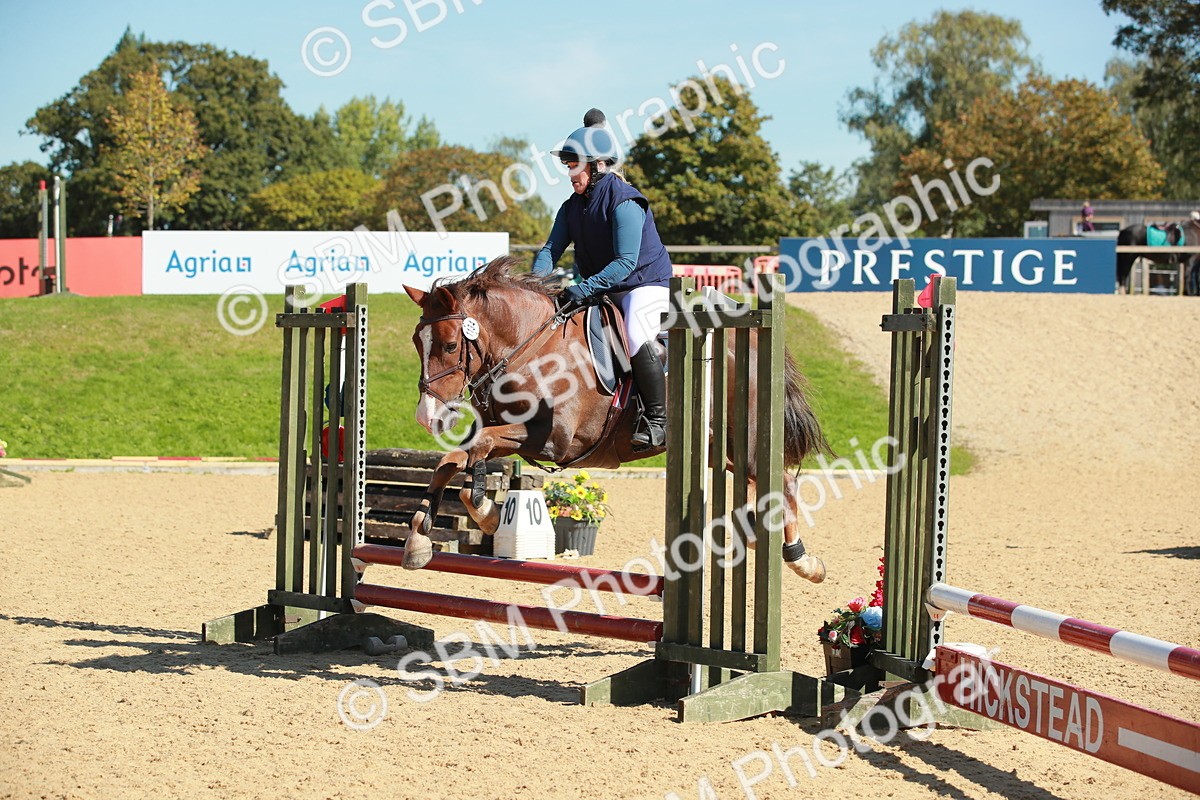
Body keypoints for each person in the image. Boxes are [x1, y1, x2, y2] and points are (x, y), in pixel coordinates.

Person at [532, 109, 673, 451]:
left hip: (644, 285)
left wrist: (582, 288)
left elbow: (625, 262)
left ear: (596, 165)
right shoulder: (571, 207)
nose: (569, 174)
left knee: (636, 333)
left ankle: (657, 421)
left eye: (574, 166)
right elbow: (551, 250)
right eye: (568, 167)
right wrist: (533, 287)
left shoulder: (625, 202)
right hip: (603, 290)